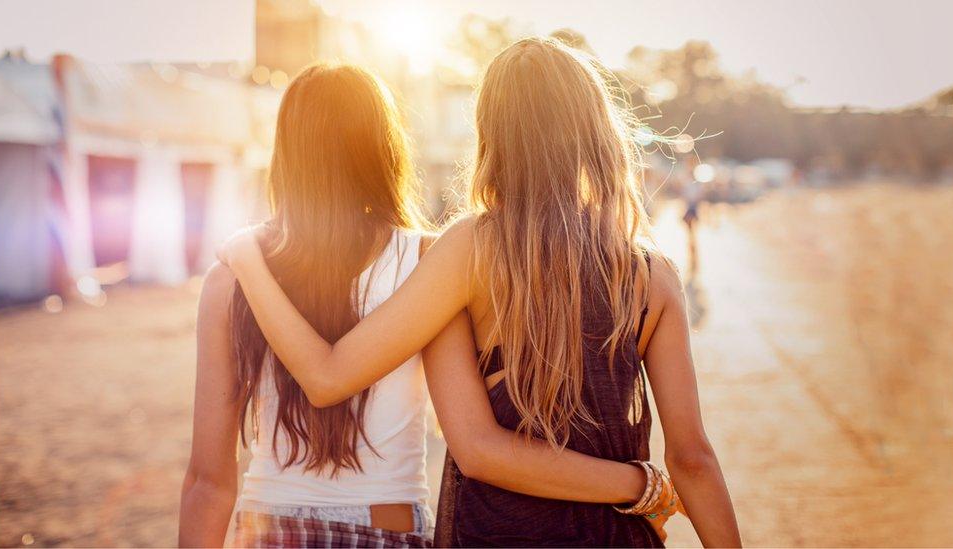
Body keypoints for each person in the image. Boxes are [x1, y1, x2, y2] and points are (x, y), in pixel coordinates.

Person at [221, 38, 739, 547]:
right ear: (597, 131)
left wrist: (247, 255)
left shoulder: (470, 250)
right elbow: (693, 459)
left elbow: (332, 379)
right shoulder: (652, 274)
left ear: (491, 135)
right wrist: (645, 485)